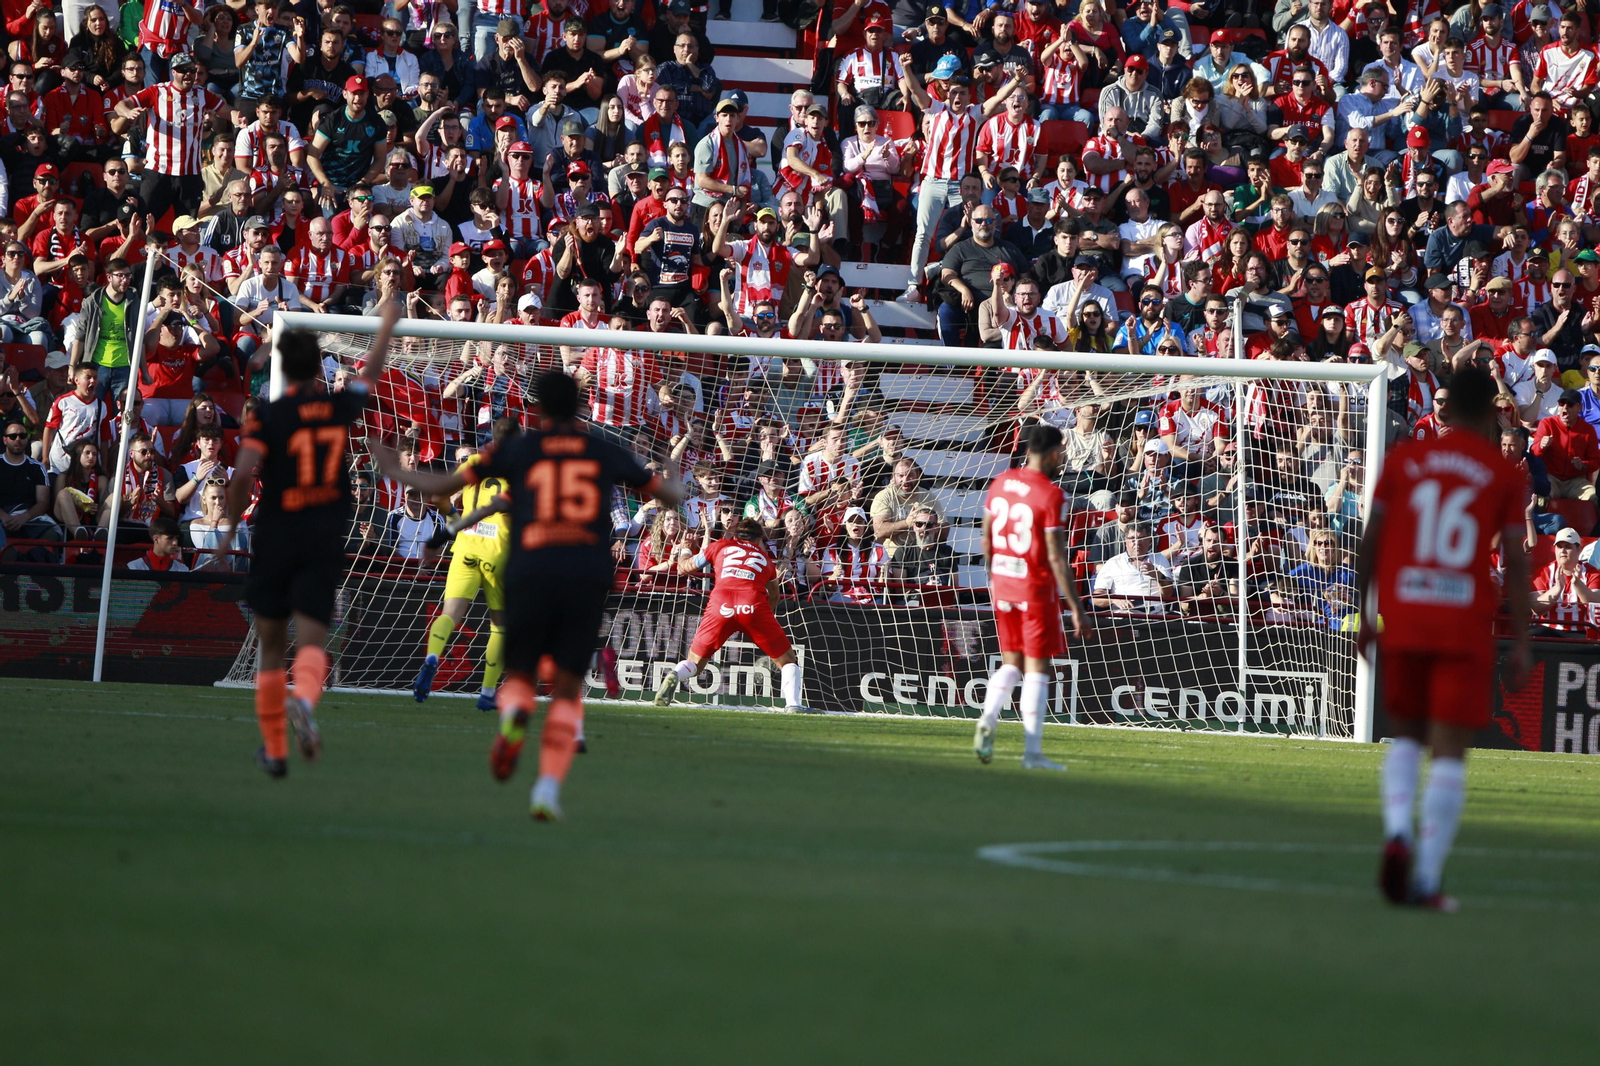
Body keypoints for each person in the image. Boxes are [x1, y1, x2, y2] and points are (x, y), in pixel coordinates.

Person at [375, 369, 679, 821]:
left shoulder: (517, 451)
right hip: (586, 571)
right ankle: (547, 790)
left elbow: (441, 489)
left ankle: (513, 716)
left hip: (532, 568)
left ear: (536, 409)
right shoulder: (604, 449)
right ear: (581, 407)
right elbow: (671, 494)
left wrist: (392, 467)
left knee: (520, 671)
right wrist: (670, 461)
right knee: (567, 687)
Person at [1356, 364, 1530, 911]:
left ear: (1447, 408)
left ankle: (1396, 831)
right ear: (1493, 412)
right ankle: (1427, 880)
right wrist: (1523, 639)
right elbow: (1517, 559)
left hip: (1407, 613)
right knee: (1450, 752)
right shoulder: (1502, 474)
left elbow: (1371, 539)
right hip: (1463, 622)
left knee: (1406, 736)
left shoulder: (1405, 460)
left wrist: (1365, 614)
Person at [211, 305, 401, 780]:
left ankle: (275, 750)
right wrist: (386, 326)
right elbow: (371, 374)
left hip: (277, 534)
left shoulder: (267, 415)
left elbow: (241, 476)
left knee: (271, 647)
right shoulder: (340, 407)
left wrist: (229, 531)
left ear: (281, 363)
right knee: (313, 639)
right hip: (324, 536)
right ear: (318, 366)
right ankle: (306, 701)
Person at [972, 424, 1090, 771]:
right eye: (1062, 452)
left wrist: (997, 577)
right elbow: (1056, 557)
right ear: (1053, 453)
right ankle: (1032, 753)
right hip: (1034, 588)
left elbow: (986, 539)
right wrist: (1076, 607)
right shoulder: (1052, 495)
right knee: (1038, 669)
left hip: (1003, 584)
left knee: (1011, 663)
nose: (1062, 457)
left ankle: (988, 718)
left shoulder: (1000, 482)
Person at [655, 512, 807, 710]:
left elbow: (684, 568)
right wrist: (758, 616)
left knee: (695, 663)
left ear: (736, 535)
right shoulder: (766, 561)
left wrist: (685, 549)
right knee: (787, 660)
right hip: (753, 605)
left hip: (721, 603)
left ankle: (675, 674)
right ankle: (793, 705)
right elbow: (774, 595)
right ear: (759, 539)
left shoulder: (719, 546)